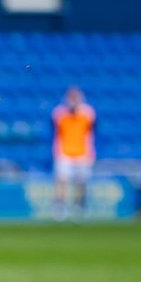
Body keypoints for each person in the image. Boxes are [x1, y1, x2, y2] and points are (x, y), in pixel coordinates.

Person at [51, 85, 96, 220]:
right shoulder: (59, 113)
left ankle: (79, 206)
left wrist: (92, 151)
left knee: (81, 181)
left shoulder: (88, 113)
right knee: (62, 180)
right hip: (64, 152)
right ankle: (60, 207)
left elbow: (92, 133)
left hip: (83, 152)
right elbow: (54, 133)